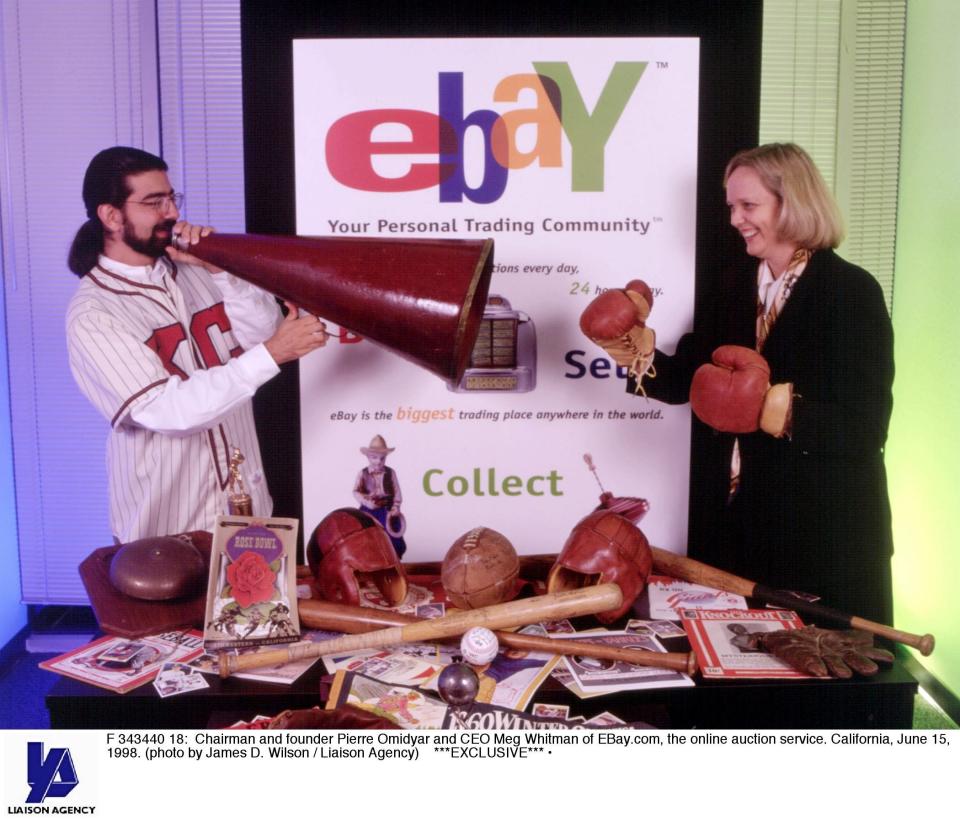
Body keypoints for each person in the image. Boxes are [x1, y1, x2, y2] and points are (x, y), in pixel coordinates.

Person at [582, 143, 894, 625]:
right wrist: (632, 349)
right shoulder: (731, 286)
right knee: (736, 684)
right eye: (732, 206)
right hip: (736, 525)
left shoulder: (852, 292)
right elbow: (688, 381)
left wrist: (773, 409)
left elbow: (864, 431)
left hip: (824, 534)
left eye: (749, 206)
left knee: (829, 686)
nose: (735, 219)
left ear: (793, 203)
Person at [66, 146, 328, 542]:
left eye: (172, 198)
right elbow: (168, 411)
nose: (171, 212)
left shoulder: (192, 269)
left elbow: (261, 332)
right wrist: (273, 353)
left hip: (249, 508)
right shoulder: (94, 313)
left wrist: (221, 270)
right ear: (111, 215)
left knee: (261, 608)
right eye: (154, 202)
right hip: (167, 533)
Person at [352, 434, 407, 558]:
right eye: (374, 457)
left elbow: (396, 492)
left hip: (387, 510)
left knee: (393, 537)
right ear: (368, 457)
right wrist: (367, 502)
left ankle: (394, 560)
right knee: (368, 536)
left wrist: (396, 507)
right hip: (369, 510)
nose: (378, 461)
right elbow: (356, 491)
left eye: (382, 458)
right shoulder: (363, 473)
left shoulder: (391, 473)